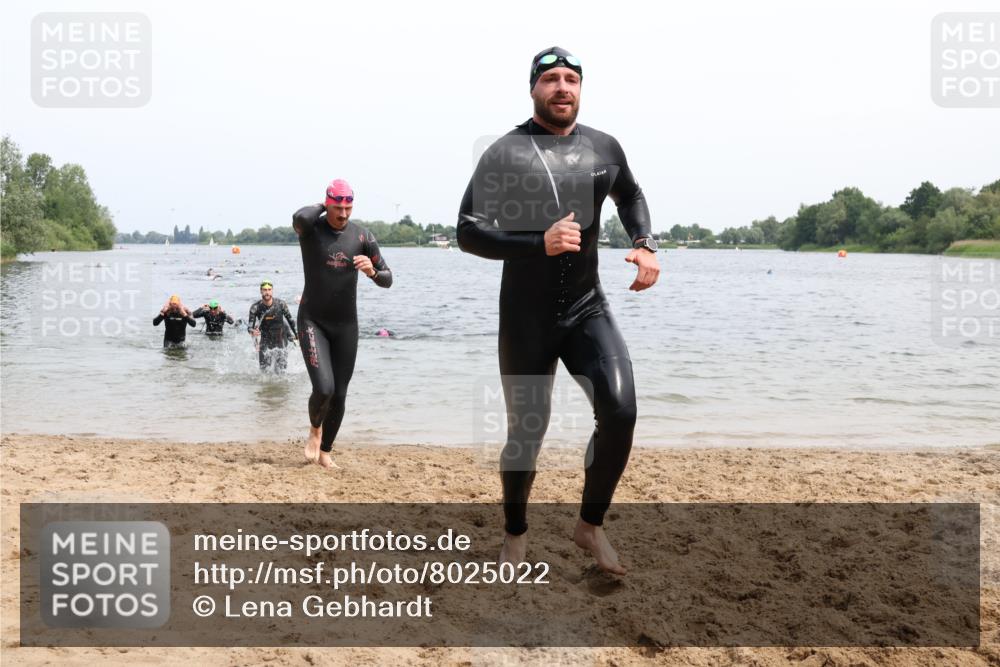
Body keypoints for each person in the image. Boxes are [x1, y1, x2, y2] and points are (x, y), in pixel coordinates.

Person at [456, 47, 661, 574]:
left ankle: (589, 526)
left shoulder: (604, 147)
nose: (562, 87)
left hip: (587, 307)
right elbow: (468, 230)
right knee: (527, 432)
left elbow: (632, 194)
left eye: (571, 79)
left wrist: (644, 242)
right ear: (533, 89)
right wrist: (535, 242)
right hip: (525, 317)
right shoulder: (505, 152)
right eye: (551, 79)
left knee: (620, 412)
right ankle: (515, 532)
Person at [292, 179, 392, 468]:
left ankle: (326, 452)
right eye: (338, 207)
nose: (344, 214)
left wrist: (372, 271)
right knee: (323, 388)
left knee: (340, 393)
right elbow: (299, 216)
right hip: (312, 320)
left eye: (348, 207)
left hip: (346, 326)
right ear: (327, 205)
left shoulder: (362, 236)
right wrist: (324, 204)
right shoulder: (311, 230)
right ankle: (314, 430)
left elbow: (388, 278)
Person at [248, 281, 297, 373]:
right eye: (264, 290)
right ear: (261, 291)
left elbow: (291, 321)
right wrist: (252, 331)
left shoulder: (281, 304)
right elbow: (250, 326)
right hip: (265, 342)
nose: (267, 292)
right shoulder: (255, 307)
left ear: (272, 291)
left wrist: (297, 336)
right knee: (264, 372)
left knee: (281, 372)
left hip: (281, 341)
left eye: (269, 290)